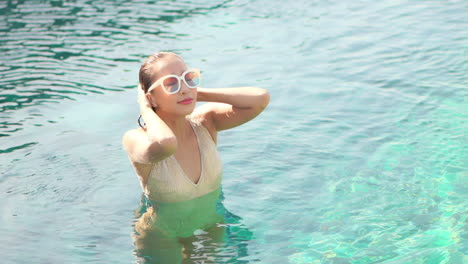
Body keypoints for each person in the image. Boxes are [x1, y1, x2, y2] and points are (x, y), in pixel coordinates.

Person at [122, 51, 269, 263]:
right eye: (171, 83)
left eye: (188, 78)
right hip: (162, 235)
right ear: (151, 97)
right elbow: (166, 144)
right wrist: (145, 108)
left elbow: (260, 99)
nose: (183, 88)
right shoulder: (135, 139)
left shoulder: (206, 122)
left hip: (211, 224)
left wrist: (194, 92)